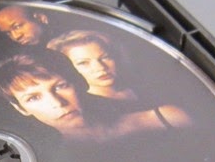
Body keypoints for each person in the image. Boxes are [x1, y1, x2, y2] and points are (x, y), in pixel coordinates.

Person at [0, 53, 187, 142]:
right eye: (33, 98)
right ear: (21, 108)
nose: (57, 103)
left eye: (60, 86)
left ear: (78, 84)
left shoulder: (166, 117)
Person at [47, 30, 191, 128]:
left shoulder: (144, 84)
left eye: (105, 57)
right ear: (67, 69)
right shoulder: (87, 109)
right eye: (83, 63)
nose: (100, 67)